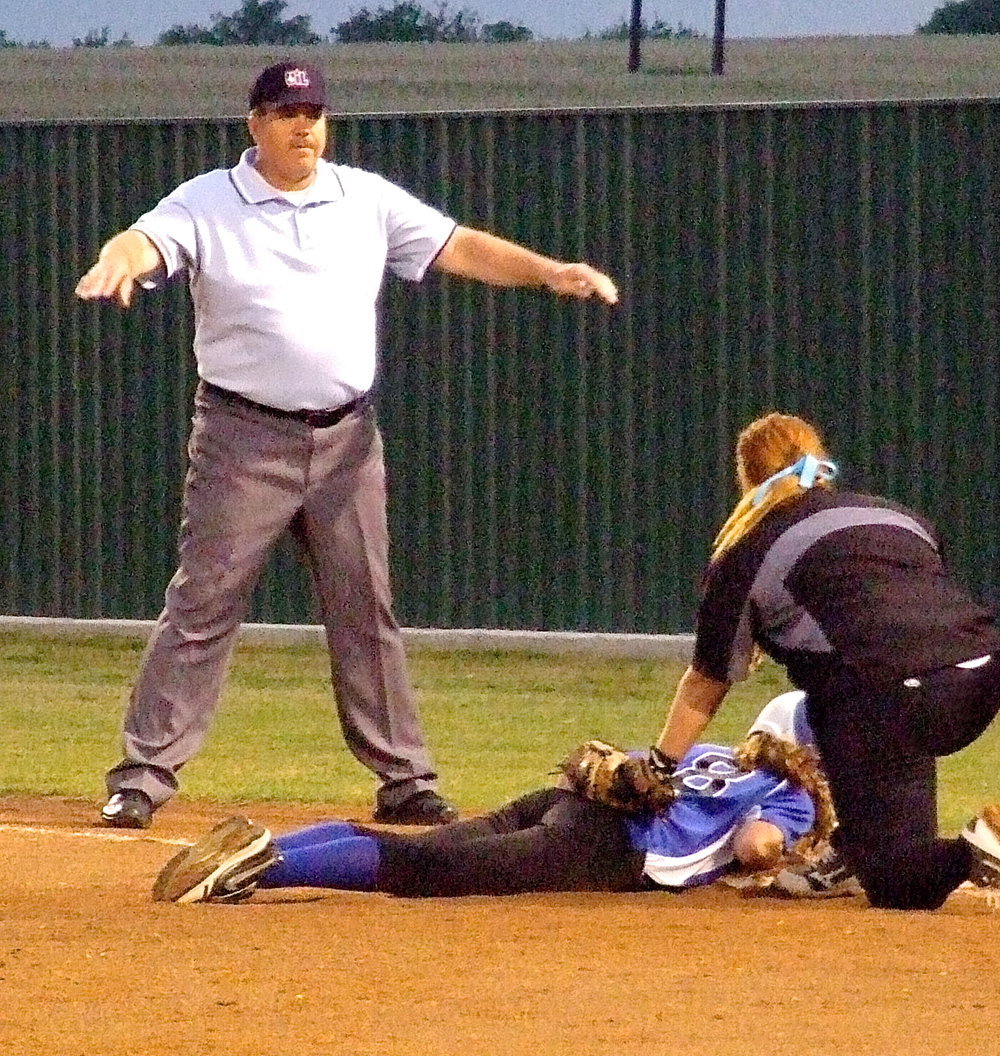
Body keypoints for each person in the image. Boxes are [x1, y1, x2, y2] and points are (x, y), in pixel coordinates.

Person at [74, 61, 618, 832]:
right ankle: (142, 777)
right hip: (242, 436)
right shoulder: (207, 201)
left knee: (366, 610)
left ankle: (404, 780)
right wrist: (118, 260)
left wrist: (547, 272)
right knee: (202, 604)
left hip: (346, 439)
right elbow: (145, 241)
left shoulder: (362, 199)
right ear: (254, 123)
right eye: (287, 112)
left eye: (315, 113)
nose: (304, 126)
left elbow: (458, 246)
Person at [632, 412, 1000, 913]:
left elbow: (706, 682)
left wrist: (661, 766)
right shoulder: (896, 516)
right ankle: (853, 848)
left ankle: (971, 854)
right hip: (983, 675)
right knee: (841, 695)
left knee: (899, 885)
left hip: (897, 696)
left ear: (747, 479)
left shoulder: (747, 553)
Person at [150, 694, 825, 903]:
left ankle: (267, 843)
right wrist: (782, 855)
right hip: (600, 848)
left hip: (559, 804)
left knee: (421, 850)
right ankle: (266, 867)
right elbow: (754, 844)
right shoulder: (789, 794)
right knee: (425, 873)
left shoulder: (710, 754)